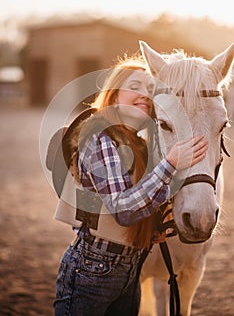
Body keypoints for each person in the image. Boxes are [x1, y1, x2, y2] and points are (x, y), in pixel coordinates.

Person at [51, 55, 208, 316]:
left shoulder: (138, 146)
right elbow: (122, 208)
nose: (144, 94)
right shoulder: (100, 137)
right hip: (93, 269)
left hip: (129, 269)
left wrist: (152, 228)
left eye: (150, 89)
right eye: (134, 87)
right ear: (113, 96)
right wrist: (170, 164)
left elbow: (137, 203)